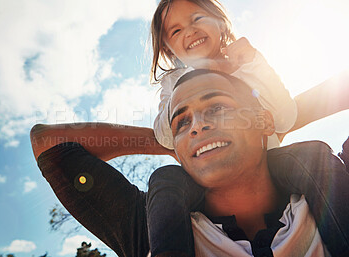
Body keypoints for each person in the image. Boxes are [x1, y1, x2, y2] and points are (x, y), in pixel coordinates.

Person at [31, 70, 349, 257]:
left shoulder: (336, 182)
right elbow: (48, 141)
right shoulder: (148, 225)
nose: (196, 125)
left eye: (216, 108)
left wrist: (280, 120)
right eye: (182, 122)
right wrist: (175, 142)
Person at [147, 0, 349, 256]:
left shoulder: (248, 62)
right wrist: (208, 74)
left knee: (314, 157)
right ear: (168, 47)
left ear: (220, 22)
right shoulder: (173, 81)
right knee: (166, 180)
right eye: (175, 31)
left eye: (197, 18)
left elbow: (285, 117)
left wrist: (255, 62)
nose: (189, 31)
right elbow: (164, 135)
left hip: (268, 172)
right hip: (212, 185)